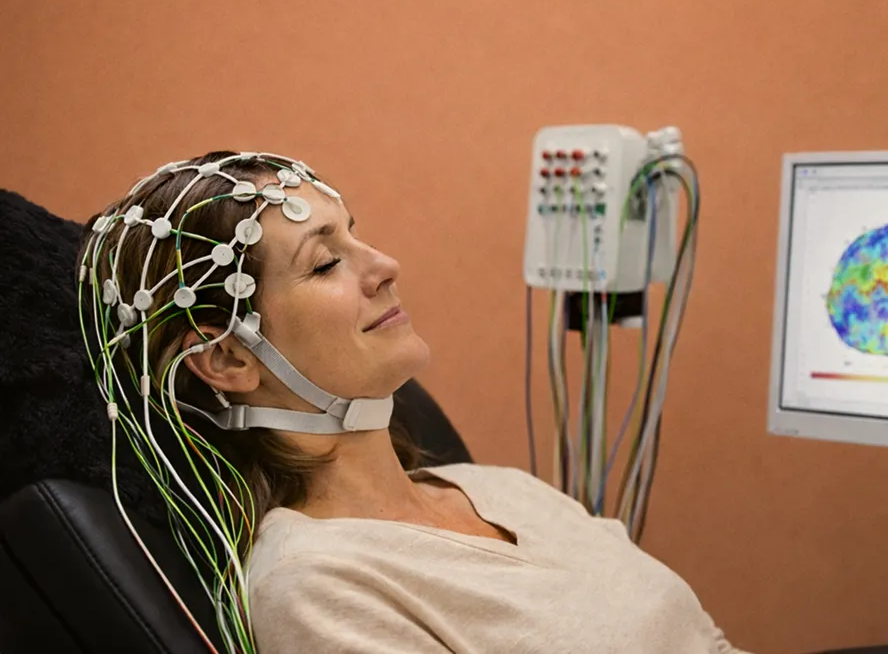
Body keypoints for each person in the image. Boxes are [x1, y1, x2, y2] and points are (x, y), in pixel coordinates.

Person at [80, 150, 750, 654]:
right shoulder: (320, 585)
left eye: (354, 235)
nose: (384, 264)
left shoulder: (500, 488)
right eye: (324, 262)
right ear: (227, 358)